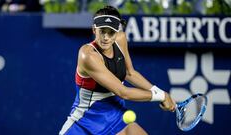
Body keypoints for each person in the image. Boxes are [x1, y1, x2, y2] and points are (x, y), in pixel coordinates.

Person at [59, 5, 176, 135]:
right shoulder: (88, 55)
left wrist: (160, 92)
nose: (106, 37)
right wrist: (162, 96)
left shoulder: (121, 40)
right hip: (84, 124)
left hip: (116, 118)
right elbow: (123, 92)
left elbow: (129, 73)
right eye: (102, 31)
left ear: (117, 32)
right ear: (94, 29)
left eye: (111, 32)